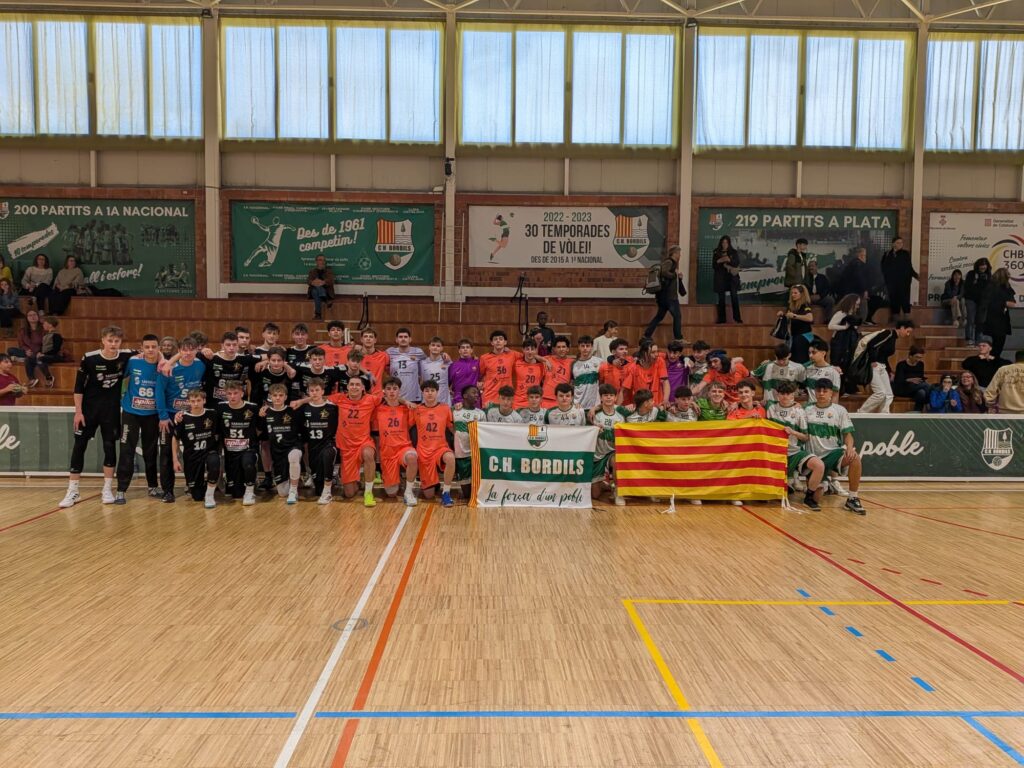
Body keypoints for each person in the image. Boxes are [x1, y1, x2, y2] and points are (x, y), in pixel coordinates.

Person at [58, 326, 137, 508]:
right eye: (110, 340)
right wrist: (78, 412)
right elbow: (78, 387)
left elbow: (148, 352)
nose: (113, 344)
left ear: (121, 342)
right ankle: (73, 491)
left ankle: (107, 489)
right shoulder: (90, 358)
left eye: (117, 341)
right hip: (88, 411)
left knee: (109, 447)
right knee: (79, 447)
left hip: (111, 411)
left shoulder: (126, 356)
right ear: (103, 340)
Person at [113, 334, 163, 503]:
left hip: (152, 415)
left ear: (158, 348)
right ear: (142, 348)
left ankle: (153, 486)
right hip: (131, 413)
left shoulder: (163, 364)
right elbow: (121, 378)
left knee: (151, 452)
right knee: (126, 450)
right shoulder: (134, 361)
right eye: (147, 347)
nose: (150, 350)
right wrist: (122, 395)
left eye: (154, 347)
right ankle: (121, 490)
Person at [805, 379, 865, 515]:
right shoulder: (805, 409)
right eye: (818, 390)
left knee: (855, 458)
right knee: (816, 498)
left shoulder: (840, 410)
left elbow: (848, 435)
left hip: (833, 454)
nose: (821, 393)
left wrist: (849, 447)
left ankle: (853, 498)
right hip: (814, 459)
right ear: (814, 392)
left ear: (831, 393)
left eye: (825, 391)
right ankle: (826, 484)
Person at [157, 336, 206, 502]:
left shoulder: (200, 365)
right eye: (184, 350)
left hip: (191, 415)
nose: (187, 353)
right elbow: (159, 392)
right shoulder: (168, 368)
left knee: (193, 451)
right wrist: (163, 416)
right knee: (166, 452)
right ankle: (167, 491)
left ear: (196, 350)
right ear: (179, 351)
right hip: (170, 415)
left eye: (191, 350)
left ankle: (192, 485)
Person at [767, 380, 826, 512]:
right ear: (777, 394)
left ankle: (809, 498)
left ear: (793, 395)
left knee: (819, 465)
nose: (785, 396)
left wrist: (793, 432)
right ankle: (784, 485)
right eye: (782, 393)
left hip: (794, 452)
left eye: (788, 394)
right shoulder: (770, 407)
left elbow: (805, 437)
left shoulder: (799, 411)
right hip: (774, 453)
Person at [327, 376, 384, 505]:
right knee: (349, 493)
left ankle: (368, 493)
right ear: (347, 387)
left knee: (368, 454)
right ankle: (357, 481)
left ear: (363, 388)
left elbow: (390, 398)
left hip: (364, 442)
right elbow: (320, 397)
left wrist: (406, 402)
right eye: (351, 384)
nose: (354, 387)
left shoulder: (371, 399)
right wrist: (301, 401)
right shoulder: (340, 398)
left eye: (357, 385)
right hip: (346, 447)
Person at [171, 389, 221, 509]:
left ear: (204, 400)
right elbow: (175, 439)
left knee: (214, 462)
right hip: (192, 456)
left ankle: (209, 495)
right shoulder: (183, 418)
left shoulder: (213, 414)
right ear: (188, 402)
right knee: (197, 497)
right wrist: (175, 460)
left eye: (198, 400)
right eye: (193, 401)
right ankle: (202, 487)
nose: (196, 403)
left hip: (209, 452)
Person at [855, 320, 916, 413]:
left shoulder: (893, 338)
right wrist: (872, 360)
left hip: (882, 367)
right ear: (902, 328)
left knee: (889, 395)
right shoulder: (887, 333)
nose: (908, 334)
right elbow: (872, 345)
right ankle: (861, 413)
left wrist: (889, 370)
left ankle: (884, 415)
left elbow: (884, 356)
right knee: (880, 393)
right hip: (874, 366)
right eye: (908, 331)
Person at [216, 380, 261, 505]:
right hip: (230, 453)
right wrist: (180, 415)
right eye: (229, 393)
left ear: (242, 393)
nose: (232, 396)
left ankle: (250, 491)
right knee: (236, 494)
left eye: (235, 393)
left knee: (248, 463)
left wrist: (251, 440)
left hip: (248, 449)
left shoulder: (252, 408)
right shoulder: (221, 408)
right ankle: (236, 483)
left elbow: (260, 428)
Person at [296, 377, 339, 505]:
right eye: (311, 390)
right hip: (313, 448)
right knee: (318, 490)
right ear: (308, 392)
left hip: (328, 444)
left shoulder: (332, 408)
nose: (314, 393)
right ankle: (323, 482)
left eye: (317, 390)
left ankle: (328, 492)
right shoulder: (304, 409)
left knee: (327, 455)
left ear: (322, 391)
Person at [413, 380, 455, 507]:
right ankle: (434, 483)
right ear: (422, 393)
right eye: (426, 391)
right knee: (429, 495)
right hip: (424, 452)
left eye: (432, 390)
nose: (429, 393)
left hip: (440, 448)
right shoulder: (416, 409)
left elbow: (452, 428)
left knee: (450, 458)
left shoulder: (445, 408)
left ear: (437, 392)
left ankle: (446, 493)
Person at [260, 383, 303, 504]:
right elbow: (263, 437)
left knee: (294, 456)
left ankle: (293, 490)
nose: (278, 398)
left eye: (280, 395)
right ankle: (293, 478)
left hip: (293, 447)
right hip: (277, 453)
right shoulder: (266, 413)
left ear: (285, 397)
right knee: (283, 493)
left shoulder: (293, 411)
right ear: (270, 397)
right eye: (275, 395)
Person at [588, 383, 629, 505]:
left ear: (615, 397)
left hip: (613, 451)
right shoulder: (594, 414)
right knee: (595, 495)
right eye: (605, 395)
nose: (609, 398)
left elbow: (637, 414)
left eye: (611, 395)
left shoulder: (621, 413)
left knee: (616, 460)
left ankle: (618, 492)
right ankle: (606, 484)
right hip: (598, 454)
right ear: (601, 398)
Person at [642, 244, 685, 343]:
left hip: (663, 296)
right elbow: (664, 272)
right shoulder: (669, 262)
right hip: (669, 296)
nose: (680, 255)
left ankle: (646, 335)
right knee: (677, 316)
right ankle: (678, 338)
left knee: (659, 317)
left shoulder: (670, 262)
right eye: (679, 253)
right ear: (674, 253)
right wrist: (675, 275)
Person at [452, 385, 485, 495]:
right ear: (465, 396)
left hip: (476, 455)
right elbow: (448, 426)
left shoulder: (481, 413)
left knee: (477, 492)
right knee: (466, 493)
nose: (477, 395)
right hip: (461, 455)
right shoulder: (454, 410)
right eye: (474, 392)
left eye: (477, 393)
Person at [828, 294, 862, 394]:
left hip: (848, 344)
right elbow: (830, 326)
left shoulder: (853, 315)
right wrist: (844, 327)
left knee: (847, 365)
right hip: (839, 344)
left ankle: (846, 388)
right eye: (856, 304)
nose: (858, 306)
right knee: (838, 364)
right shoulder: (841, 313)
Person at [880, 236, 917, 321]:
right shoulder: (887, 254)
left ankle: (907, 318)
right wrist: (887, 278)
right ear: (893, 244)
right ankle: (896, 318)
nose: (900, 244)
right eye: (898, 243)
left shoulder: (905, 254)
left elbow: (909, 268)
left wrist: (916, 276)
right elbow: (883, 267)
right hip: (892, 282)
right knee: (894, 298)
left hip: (903, 282)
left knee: (904, 298)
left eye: (901, 243)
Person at [982, 268, 1016, 358]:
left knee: (998, 344)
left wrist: (1005, 303)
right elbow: (988, 301)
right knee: (995, 344)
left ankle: (993, 359)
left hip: (1001, 318)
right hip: (993, 318)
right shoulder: (991, 287)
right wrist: (1004, 303)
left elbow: (1012, 303)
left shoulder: (1006, 287)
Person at [625, 338, 668, 405]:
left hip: (657, 404)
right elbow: (625, 389)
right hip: (641, 405)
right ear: (644, 353)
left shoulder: (660, 361)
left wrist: (665, 400)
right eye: (653, 352)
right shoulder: (633, 367)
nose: (656, 354)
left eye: (657, 351)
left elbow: (665, 382)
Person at [777, 285, 814, 364]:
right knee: (792, 358)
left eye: (795, 293)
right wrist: (782, 315)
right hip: (794, 336)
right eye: (792, 293)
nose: (793, 295)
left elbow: (810, 318)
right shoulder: (791, 306)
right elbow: (788, 317)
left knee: (800, 358)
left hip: (804, 336)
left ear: (802, 294)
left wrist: (795, 316)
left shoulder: (805, 305)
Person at [713, 236, 742, 324]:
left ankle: (737, 318)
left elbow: (736, 263)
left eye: (726, 242)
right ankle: (722, 319)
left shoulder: (733, 252)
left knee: (734, 296)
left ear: (729, 243)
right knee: (721, 298)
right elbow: (714, 266)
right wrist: (720, 261)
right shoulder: (716, 252)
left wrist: (729, 260)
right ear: (721, 243)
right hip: (721, 278)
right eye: (723, 242)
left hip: (731, 278)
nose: (724, 244)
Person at [984, 349, 1024, 414]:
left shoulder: (1003, 370)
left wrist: (990, 405)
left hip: (1005, 411)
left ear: (1016, 358)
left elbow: (991, 391)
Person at [28, 316, 63, 389]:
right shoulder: (46, 335)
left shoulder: (56, 335)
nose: (43, 325)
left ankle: (49, 377)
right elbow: (43, 347)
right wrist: (39, 352)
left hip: (54, 356)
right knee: (28, 359)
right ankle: (32, 379)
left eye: (45, 323)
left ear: (50, 325)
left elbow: (56, 349)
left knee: (40, 359)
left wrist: (44, 354)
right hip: (45, 355)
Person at [963, 257, 991, 346]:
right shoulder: (972, 274)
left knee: (980, 321)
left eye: (985, 265)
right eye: (981, 265)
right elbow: (967, 287)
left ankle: (978, 340)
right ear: (978, 266)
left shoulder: (989, 275)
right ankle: (969, 339)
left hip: (983, 302)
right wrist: (976, 281)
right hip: (971, 299)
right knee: (971, 319)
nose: (983, 267)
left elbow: (990, 289)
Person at [893, 345, 930, 412]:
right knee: (927, 386)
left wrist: (920, 380)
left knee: (921, 392)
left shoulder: (921, 364)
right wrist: (909, 380)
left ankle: (917, 412)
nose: (918, 359)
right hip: (903, 388)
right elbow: (898, 381)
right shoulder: (901, 364)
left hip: (916, 387)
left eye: (920, 357)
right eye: (917, 357)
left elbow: (921, 377)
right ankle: (929, 405)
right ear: (910, 356)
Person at [839, 248, 870, 324]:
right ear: (860, 255)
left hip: (849, 290)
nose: (866, 258)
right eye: (865, 255)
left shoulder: (852, 263)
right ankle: (861, 322)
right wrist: (864, 289)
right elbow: (859, 278)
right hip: (856, 290)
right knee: (863, 304)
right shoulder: (858, 264)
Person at [542, 336, 572, 407]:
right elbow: (534, 356)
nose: (561, 349)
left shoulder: (572, 363)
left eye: (563, 347)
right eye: (558, 347)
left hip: (563, 399)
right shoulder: (547, 359)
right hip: (546, 399)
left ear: (568, 349)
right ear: (554, 349)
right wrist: (544, 360)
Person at [572, 335, 601, 411]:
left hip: (594, 406)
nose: (585, 348)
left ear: (592, 347)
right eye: (582, 346)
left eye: (587, 346)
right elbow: (570, 384)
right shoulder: (573, 364)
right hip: (577, 406)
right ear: (579, 347)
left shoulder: (599, 362)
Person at [419, 337, 451, 405]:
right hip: (427, 401)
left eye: (438, 346)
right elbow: (420, 381)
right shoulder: (422, 363)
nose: (435, 347)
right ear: (429, 347)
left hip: (444, 401)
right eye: (433, 345)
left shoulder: (447, 362)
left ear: (442, 348)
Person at [449, 338, 480, 406]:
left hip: (474, 400)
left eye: (467, 347)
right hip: (458, 401)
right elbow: (447, 384)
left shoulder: (478, 363)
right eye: (463, 347)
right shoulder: (453, 366)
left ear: (471, 350)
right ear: (459, 351)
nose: (465, 349)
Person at [307, 254, 335, 320]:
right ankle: (325, 299)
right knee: (316, 289)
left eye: (323, 260)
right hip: (315, 288)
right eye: (320, 260)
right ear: (316, 261)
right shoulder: (312, 271)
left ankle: (318, 314)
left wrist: (323, 282)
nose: (322, 262)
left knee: (315, 292)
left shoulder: (329, 271)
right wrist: (313, 282)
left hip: (326, 291)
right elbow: (308, 280)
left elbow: (331, 280)